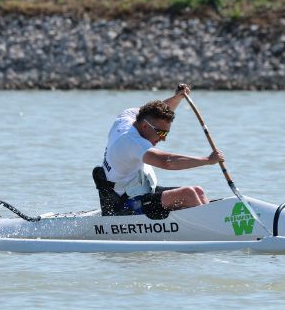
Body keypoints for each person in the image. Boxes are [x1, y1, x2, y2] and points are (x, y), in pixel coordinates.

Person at [94, 84, 223, 219]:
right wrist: (208, 160)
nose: (163, 139)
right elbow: (166, 162)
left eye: (166, 133)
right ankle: (211, 230)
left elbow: (155, 113)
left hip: (137, 192)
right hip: (123, 205)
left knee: (198, 191)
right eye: (161, 133)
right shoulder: (132, 142)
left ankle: (212, 223)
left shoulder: (128, 117)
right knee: (188, 194)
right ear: (144, 126)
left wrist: (177, 98)